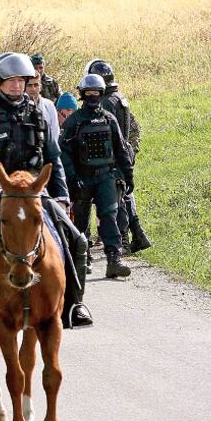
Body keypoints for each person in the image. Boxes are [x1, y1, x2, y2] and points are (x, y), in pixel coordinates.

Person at [0, 53, 93, 335]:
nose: (17, 86)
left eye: (22, 81)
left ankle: (74, 306)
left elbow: (54, 155)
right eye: (11, 81)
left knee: (77, 239)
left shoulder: (38, 113)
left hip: (35, 196)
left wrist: (61, 193)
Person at [59, 74, 134, 279]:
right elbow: (64, 154)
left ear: (101, 94)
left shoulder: (109, 119)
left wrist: (127, 175)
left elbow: (121, 149)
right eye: (89, 93)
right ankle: (83, 260)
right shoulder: (73, 122)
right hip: (82, 177)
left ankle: (114, 260)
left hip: (106, 177)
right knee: (80, 221)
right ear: (83, 95)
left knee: (109, 217)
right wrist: (72, 179)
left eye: (96, 93)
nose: (92, 96)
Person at [86, 60, 152, 254]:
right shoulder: (119, 97)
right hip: (124, 152)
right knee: (125, 195)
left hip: (114, 155)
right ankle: (138, 235)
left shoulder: (106, 101)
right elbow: (131, 128)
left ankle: (122, 241)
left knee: (117, 199)